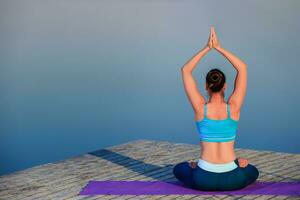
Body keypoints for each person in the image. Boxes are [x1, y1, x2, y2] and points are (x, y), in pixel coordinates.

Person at [173, 27, 259, 191]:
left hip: (203, 177)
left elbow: (185, 70)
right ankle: (237, 164)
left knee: (179, 169)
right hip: (233, 177)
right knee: (252, 171)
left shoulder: (200, 108)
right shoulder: (233, 108)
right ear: (225, 86)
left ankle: (194, 166)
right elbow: (242, 68)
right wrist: (219, 47)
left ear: (206, 86)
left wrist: (207, 47)